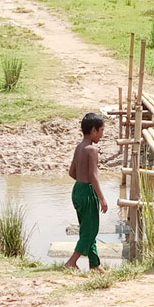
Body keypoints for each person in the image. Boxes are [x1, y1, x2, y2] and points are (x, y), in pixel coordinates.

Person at [65, 112, 109, 272]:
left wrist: (81, 180)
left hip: (77, 189)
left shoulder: (79, 147)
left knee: (87, 227)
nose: (102, 135)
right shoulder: (92, 149)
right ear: (93, 130)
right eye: (102, 130)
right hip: (87, 191)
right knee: (91, 230)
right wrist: (102, 198)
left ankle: (95, 264)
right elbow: (93, 176)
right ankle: (71, 261)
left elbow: (71, 172)